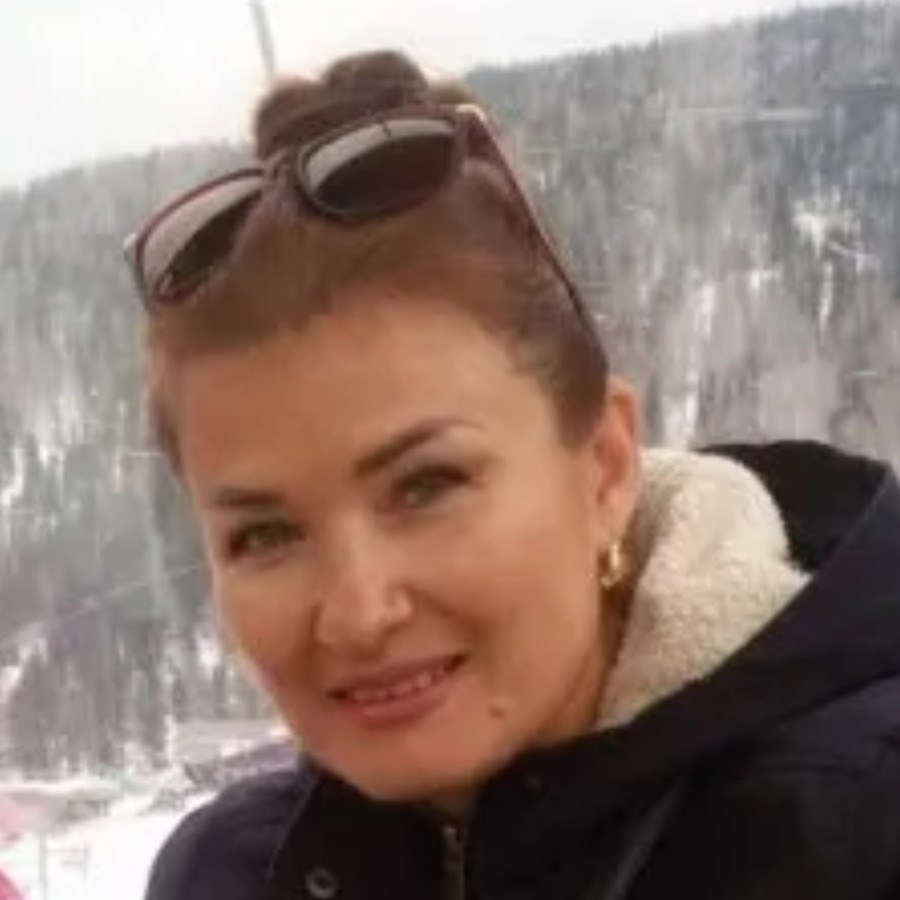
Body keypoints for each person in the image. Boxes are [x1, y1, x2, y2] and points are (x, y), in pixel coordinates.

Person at [128, 50, 900, 900]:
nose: (358, 613)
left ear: (604, 468)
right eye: (265, 535)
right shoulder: (228, 877)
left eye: (425, 487)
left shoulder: (853, 834)